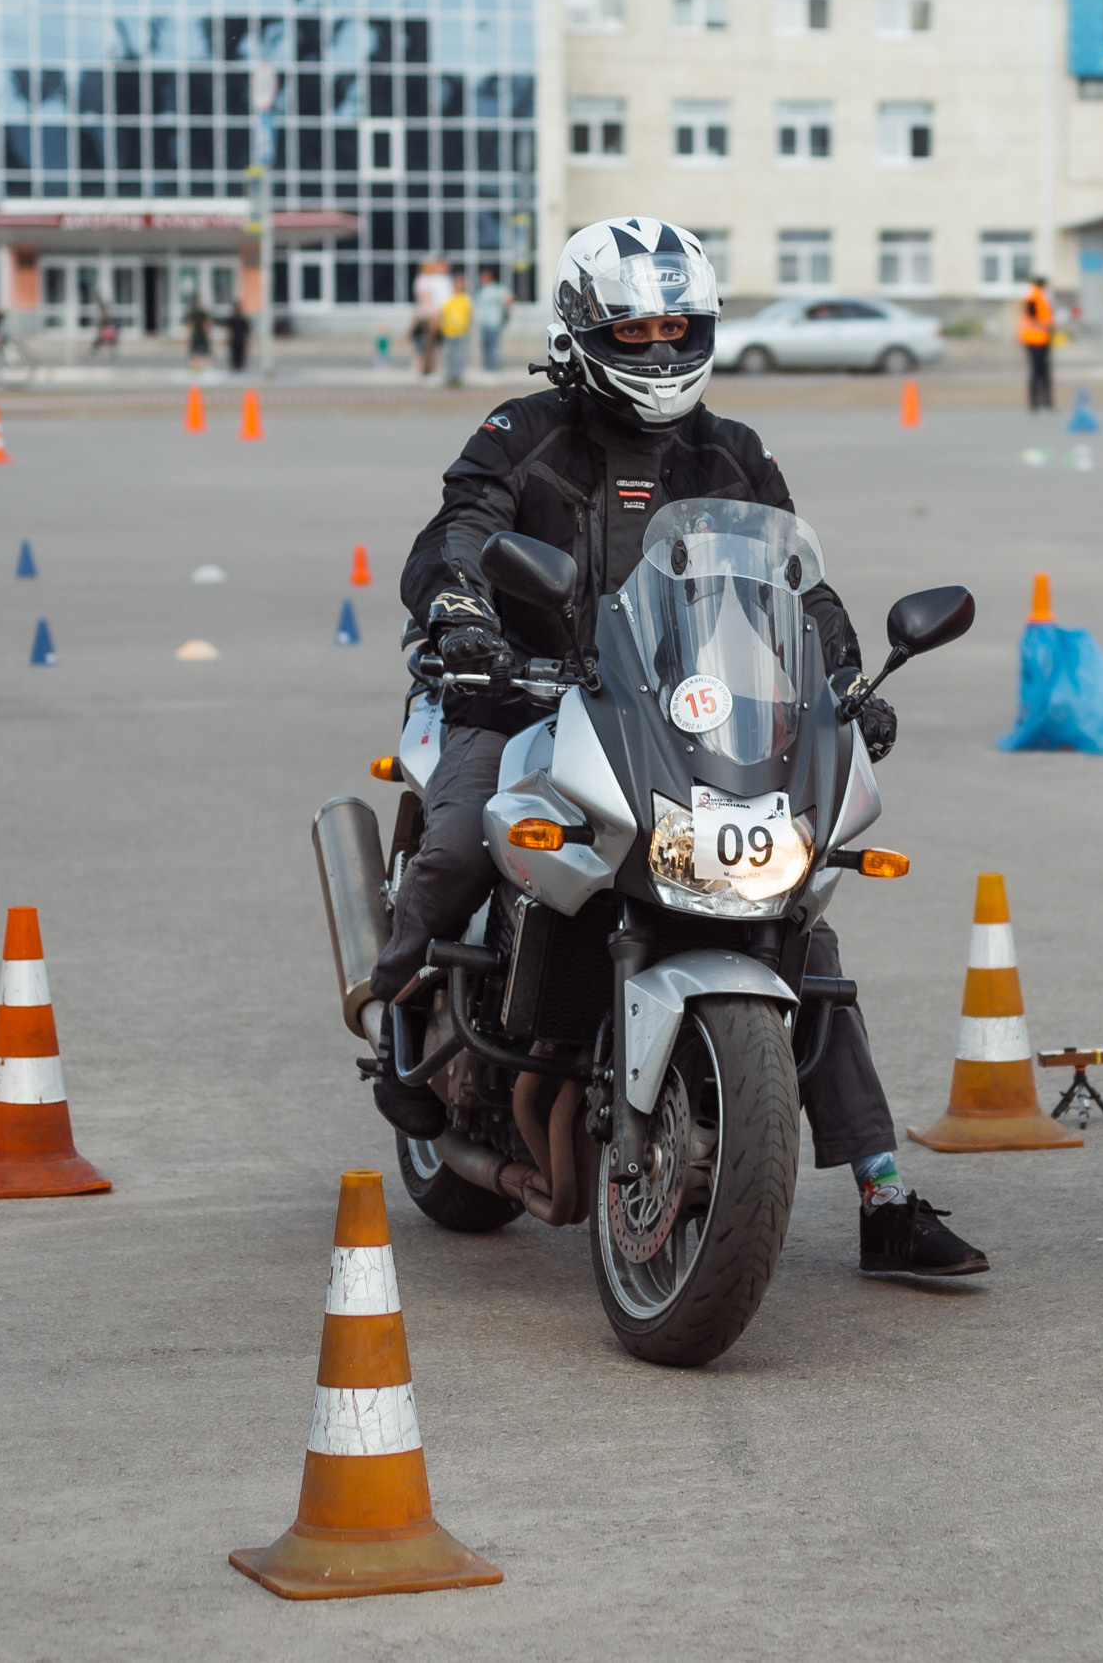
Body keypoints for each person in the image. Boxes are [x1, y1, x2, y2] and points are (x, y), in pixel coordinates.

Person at [369, 215, 986, 1277]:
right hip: (522, 695)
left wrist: (840, 681)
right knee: (470, 830)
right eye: (635, 327)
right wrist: (464, 620)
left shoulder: (730, 453)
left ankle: (883, 1194)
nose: (659, 349)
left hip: (681, 715)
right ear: (580, 328)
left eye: (677, 326)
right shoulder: (523, 434)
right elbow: (457, 534)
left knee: (800, 925)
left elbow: (800, 587)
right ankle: (399, 1012)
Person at [1019, 275, 1054, 411]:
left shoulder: (1039, 296)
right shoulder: (1033, 296)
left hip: (1042, 338)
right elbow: (1032, 318)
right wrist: (1046, 325)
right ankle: (1036, 402)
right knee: (1037, 371)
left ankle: (1045, 400)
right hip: (1034, 339)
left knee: (1043, 371)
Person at [474, 264, 512, 374]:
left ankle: (495, 369)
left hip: (494, 322)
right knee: (485, 346)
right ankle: (487, 368)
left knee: (494, 347)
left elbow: (509, 299)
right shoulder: (481, 290)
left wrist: (505, 313)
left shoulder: (497, 288)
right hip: (484, 323)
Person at [440, 268, 473, 388]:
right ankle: (450, 377)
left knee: (460, 355)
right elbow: (443, 313)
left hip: (462, 331)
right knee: (450, 356)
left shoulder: (466, 298)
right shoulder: (449, 298)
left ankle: (457, 377)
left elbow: (470, 314)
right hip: (449, 331)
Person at [222, 301, 252, 373]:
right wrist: (226, 340)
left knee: (240, 356)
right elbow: (228, 330)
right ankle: (235, 368)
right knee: (234, 356)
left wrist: (249, 341)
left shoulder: (242, 319)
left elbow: (247, 331)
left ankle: (239, 368)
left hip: (240, 340)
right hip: (234, 339)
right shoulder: (233, 319)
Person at [183, 295, 212, 369]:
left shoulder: (194, 312)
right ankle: (202, 366)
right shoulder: (200, 312)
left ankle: (197, 367)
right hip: (200, 334)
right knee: (202, 352)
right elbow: (208, 323)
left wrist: (187, 336)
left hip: (196, 334)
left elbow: (188, 324)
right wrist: (207, 331)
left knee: (196, 352)